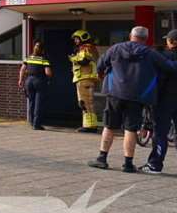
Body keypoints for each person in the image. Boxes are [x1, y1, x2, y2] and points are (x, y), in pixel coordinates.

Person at [88, 26, 177, 173]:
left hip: (115, 92)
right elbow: (169, 66)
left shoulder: (115, 49)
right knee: (131, 129)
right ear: (146, 39)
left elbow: (100, 64)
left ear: (130, 35)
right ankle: (128, 164)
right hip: (138, 96)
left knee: (109, 125)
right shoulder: (151, 53)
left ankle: (102, 158)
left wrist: (100, 75)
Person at [143, 29, 177, 173]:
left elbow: (159, 79)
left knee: (160, 132)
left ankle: (155, 164)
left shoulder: (164, 57)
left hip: (165, 99)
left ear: (170, 41)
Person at [70, 30, 101, 133]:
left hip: (85, 78)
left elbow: (84, 61)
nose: (75, 41)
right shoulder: (90, 48)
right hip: (85, 78)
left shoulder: (85, 48)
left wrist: (72, 59)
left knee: (86, 102)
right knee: (85, 102)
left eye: (77, 39)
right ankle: (88, 124)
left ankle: (90, 126)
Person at [18, 42, 51, 130]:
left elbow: (22, 70)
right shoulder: (44, 59)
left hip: (29, 81)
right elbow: (48, 72)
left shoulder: (28, 58)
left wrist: (20, 80)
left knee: (31, 102)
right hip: (40, 81)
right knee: (38, 103)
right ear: (43, 50)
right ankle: (36, 124)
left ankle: (31, 122)